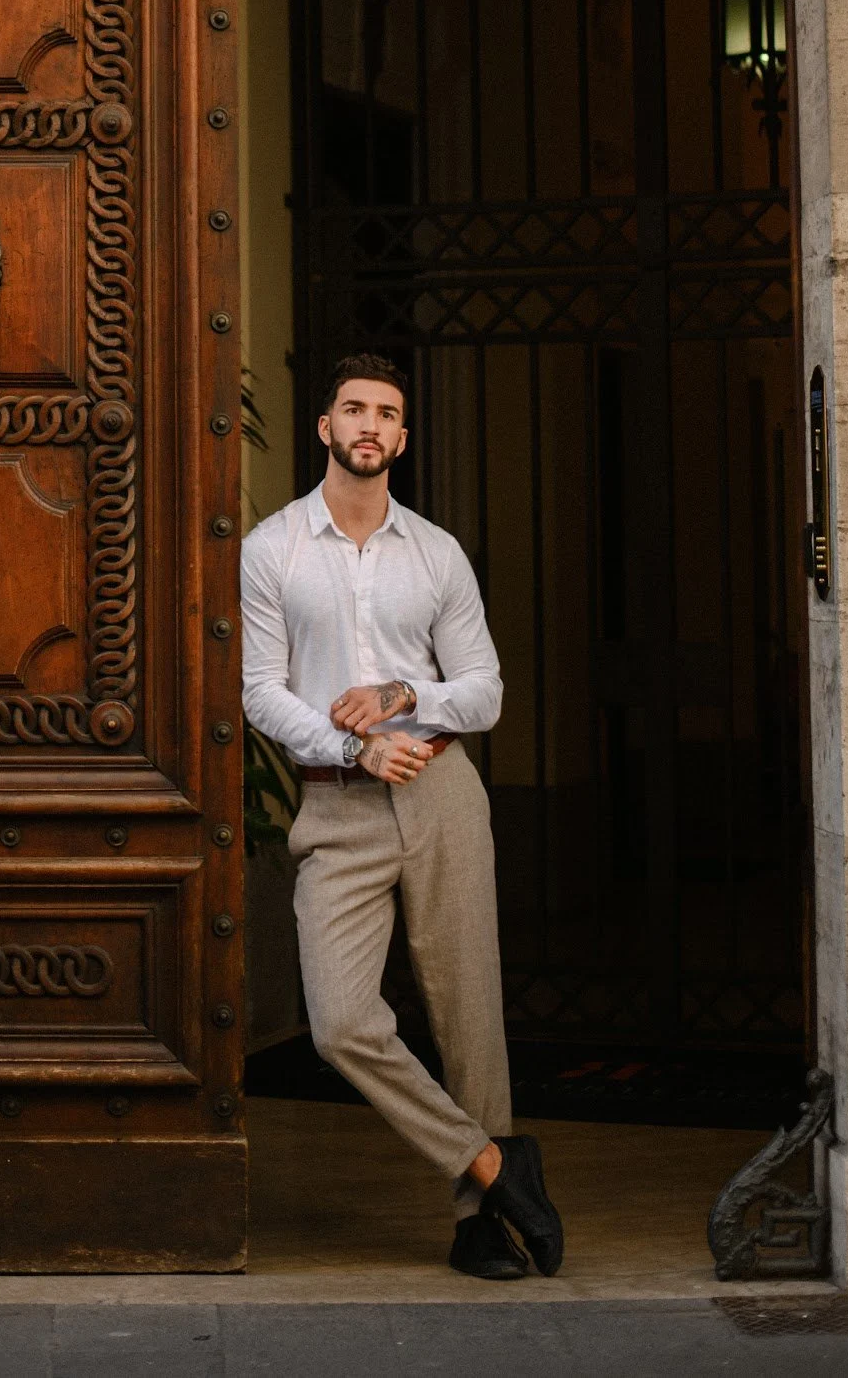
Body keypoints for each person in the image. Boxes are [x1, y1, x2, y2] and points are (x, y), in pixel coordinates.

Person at [240, 351, 565, 1281]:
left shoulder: (437, 553)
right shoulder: (274, 549)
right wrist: (354, 746)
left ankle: (479, 1225)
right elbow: (261, 690)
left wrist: (400, 692)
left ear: (403, 437)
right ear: (325, 429)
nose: (370, 425)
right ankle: (496, 1165)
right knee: (341, 1021)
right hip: (336, 809)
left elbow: (485, 690)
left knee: (469, 1014)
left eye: (386, 412)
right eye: (353, 409)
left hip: (441, 793)